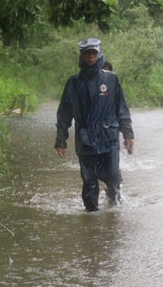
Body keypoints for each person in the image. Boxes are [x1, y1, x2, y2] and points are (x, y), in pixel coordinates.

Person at [55, 38, 134, 211]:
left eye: (93, 53)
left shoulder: (111, 80)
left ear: (99, 55)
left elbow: (122, 109)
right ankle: (91, 220)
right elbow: (64, 113)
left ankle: (114, 211)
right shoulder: (73, 83)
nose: (90, 56)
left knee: (113, 177)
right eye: (87, 53)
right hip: (85, 140)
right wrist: (61, 139)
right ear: (82, 56)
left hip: (109, 138)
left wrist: (128, 135)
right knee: (89, 183)